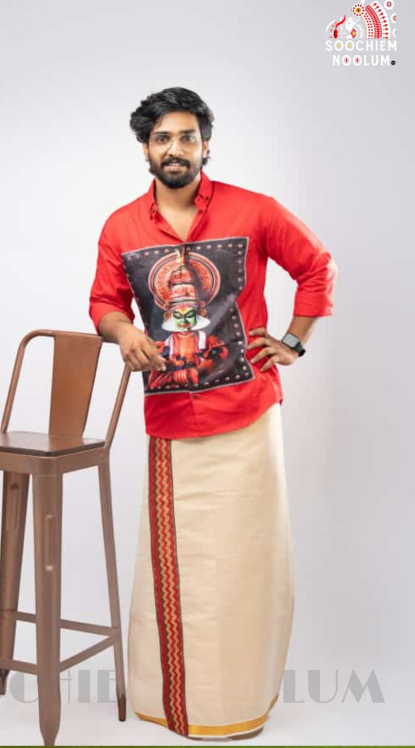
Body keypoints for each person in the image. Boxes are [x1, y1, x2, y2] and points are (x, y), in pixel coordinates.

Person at [88, 87, 337, 740]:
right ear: (145, 148)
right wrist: (124, 332)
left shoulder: (254, 210)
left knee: (246, 566)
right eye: (162, 138)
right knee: (177, 568)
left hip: (247, 415)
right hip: (171, 420)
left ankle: (239, 704)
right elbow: (104, 303)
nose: (175, 149)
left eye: (187, 137)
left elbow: (316, 267)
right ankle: (172, 702)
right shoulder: (121, 227)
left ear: (206, 145)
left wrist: (294, 342)